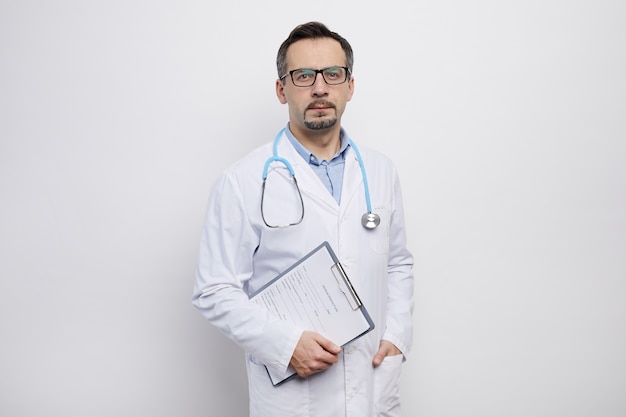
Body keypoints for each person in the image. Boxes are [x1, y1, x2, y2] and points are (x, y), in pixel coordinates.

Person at [192, 21, 414, 417]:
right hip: (295, 399)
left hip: (372, 386)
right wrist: (284, 344)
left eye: (333, 74)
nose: (320, 87)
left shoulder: (380, 171)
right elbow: (214, 290)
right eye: (303, 76)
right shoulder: (242, 180)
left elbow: (398, 262)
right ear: (282, 89)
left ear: (349, 85)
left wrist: (397, 335)